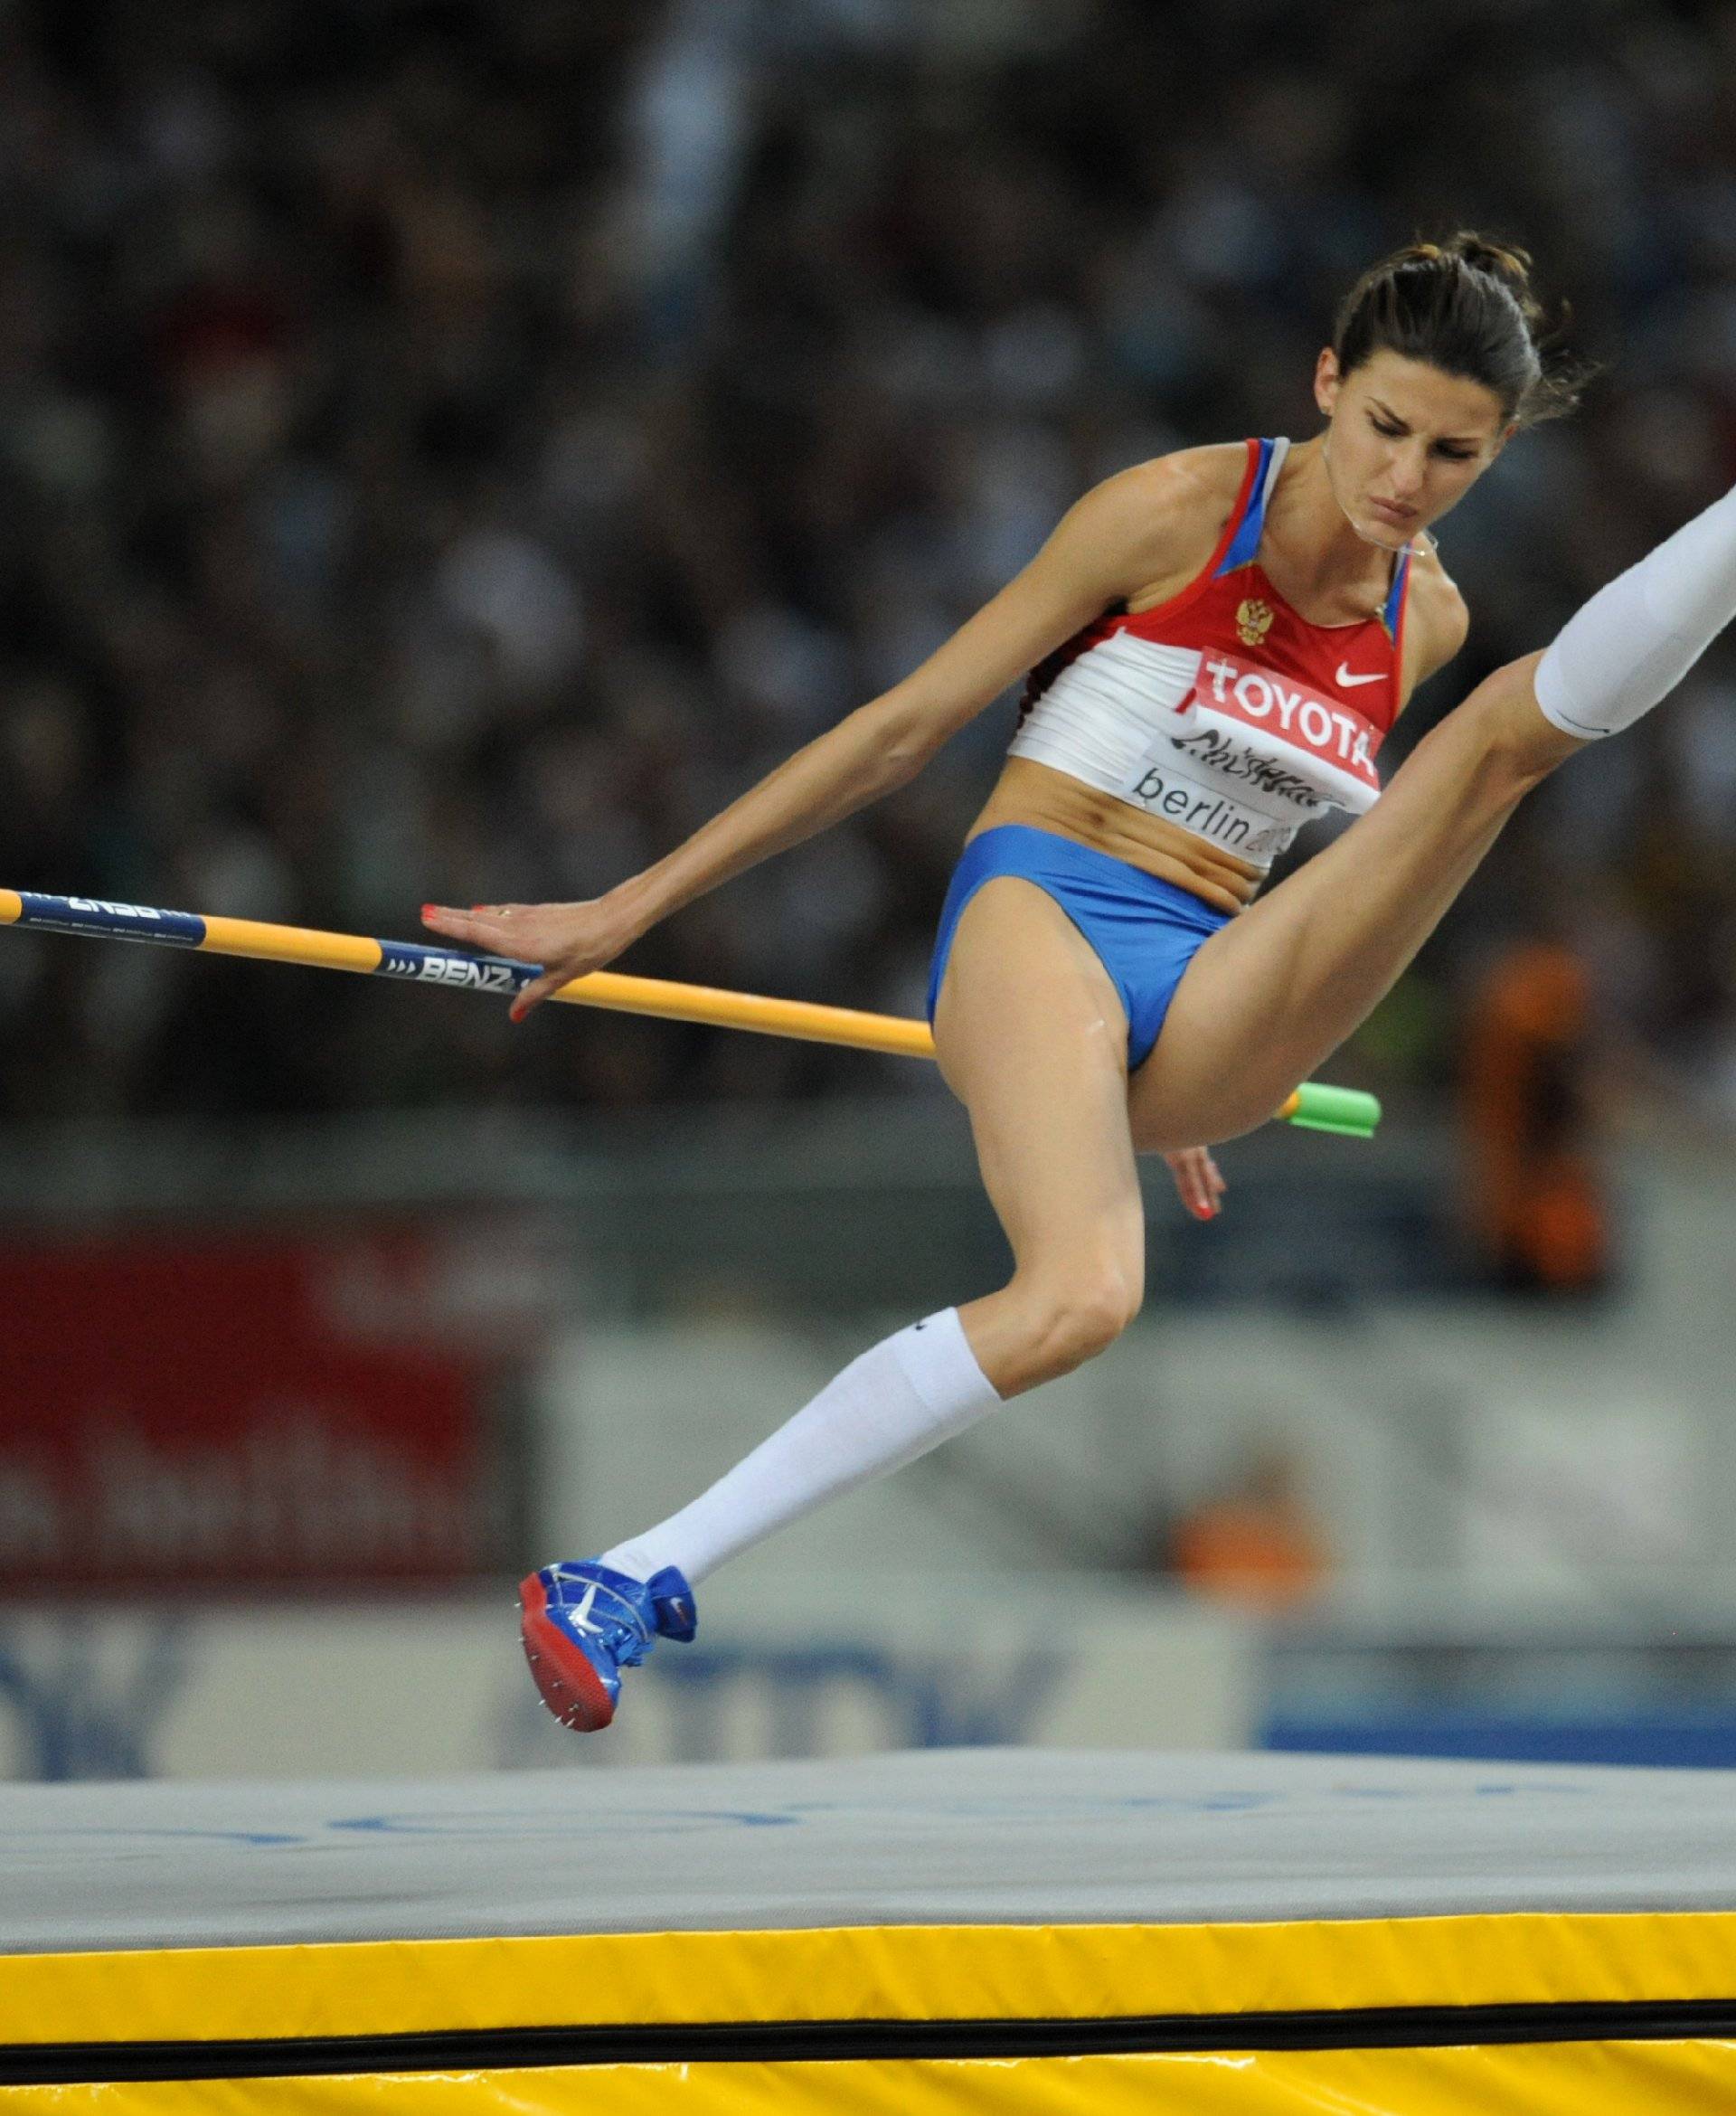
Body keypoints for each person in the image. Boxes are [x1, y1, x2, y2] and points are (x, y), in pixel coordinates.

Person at [424, 234, 1736, 1733]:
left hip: (1200, 987)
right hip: (1037, 914)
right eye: (1384, 427)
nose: (1407, 478)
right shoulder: (1176, 511)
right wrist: (630, 905)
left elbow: (1272, 848)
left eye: (1454, 454)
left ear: (1495, 452)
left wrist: (1188, 1062)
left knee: (1499, 748)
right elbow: (903, 729)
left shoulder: (1421, 620)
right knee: (1083, 1298)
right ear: (1326, 381)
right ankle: (628, 1576)